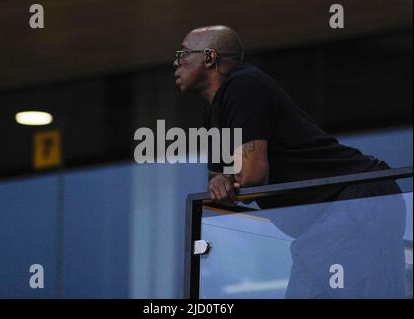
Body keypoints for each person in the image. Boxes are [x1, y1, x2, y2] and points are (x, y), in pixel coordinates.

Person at [174, 25, 407, 298]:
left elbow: (252, 176)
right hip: (319, 227)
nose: (176, 62)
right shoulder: (214, 110)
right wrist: (222, 180)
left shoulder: (243, 85)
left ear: (210, 58)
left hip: (355, 203)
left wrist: (228, 181)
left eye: (184, 53)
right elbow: (218, 180)